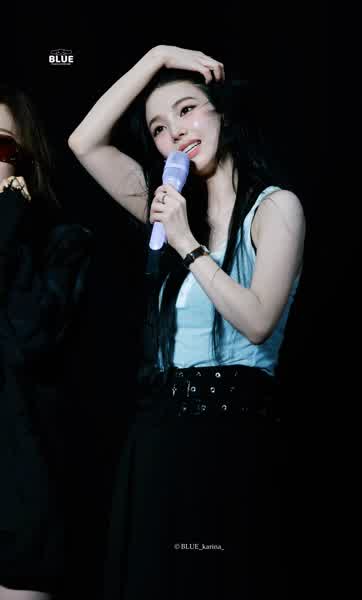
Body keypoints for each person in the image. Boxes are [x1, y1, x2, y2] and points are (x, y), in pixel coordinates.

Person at [69, 45, 305, 599]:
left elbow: (258, 321)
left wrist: (188, 246)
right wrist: (156, 57)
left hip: (233, 441)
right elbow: (84, 142)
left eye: (187, 110)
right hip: (160, 437)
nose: (174, 131)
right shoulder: (171, 207)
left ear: (222, 112)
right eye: (158, 127)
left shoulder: (275, 208)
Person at [0, 84, 92, 599]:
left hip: (19, 496)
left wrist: (6, 226)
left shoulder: (62, 244)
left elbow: (30, 341)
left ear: (24, 159)